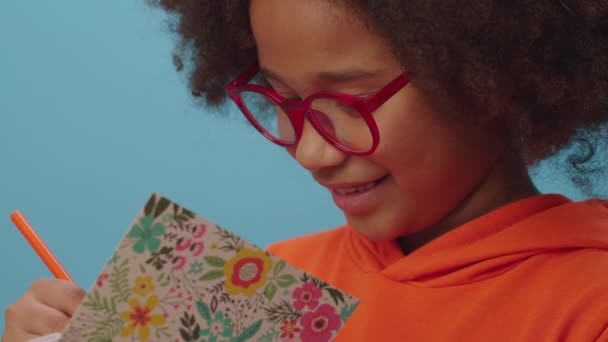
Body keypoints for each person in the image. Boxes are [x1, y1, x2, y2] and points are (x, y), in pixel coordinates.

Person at [4, 1, 608, 341]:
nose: (312, 153)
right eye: (283, 103)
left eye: (348, 102)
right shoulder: (259, 282)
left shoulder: (589, 307)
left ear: (490, 77)